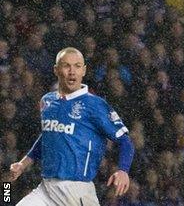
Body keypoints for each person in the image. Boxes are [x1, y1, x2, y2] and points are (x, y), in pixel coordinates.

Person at [8, 47, 135, 205]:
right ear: (56, 70)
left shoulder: (95, 105)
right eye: (66, 65)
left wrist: (123, 170)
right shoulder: (47, 101)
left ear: (84, 70)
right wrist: (22, 164)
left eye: (77, 66)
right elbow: (49, 136)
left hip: (77, 192)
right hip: (46, 190)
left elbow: (125, 142)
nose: (72, 71)